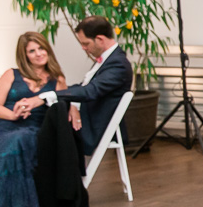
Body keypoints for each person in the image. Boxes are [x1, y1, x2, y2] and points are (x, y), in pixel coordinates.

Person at [0, 32, 68, 207]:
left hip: (35, 127)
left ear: (48, 49)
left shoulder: (58, 80)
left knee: (17, 141)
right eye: (32, 51)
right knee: (3, 142)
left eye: (41, 48)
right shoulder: (12, 74)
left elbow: (64, 106)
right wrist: (13, 115)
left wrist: (75, 111)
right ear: (24, 55)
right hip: (3, 122)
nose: (38, 54)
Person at [16, 16, 132, 156]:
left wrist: (44, 96)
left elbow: (90, 91)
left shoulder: (118, 65)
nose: (83, 48)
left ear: (100, 39)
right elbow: (85, 86)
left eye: (86, 43)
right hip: (86, 120)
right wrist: (73, 104)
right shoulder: (109, 60)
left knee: (38, 125)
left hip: (91, 128)